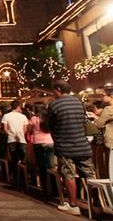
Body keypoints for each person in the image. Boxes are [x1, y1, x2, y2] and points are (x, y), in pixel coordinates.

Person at [48, 80, 96, 216]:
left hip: (65, 145)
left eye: (53, 90)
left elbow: (51, 125)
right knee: (90, 174)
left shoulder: (54, 104)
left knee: (68, 174)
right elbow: (83, 121)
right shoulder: (79, 102)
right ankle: (96, 204)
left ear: (58, 89)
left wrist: (56, 139)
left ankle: (73, 204)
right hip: (82, 144)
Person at [27, 103, 53, 193]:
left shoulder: (34, 118)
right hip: (49, 142)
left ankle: (45, 187)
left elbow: (28, 130)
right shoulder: (48, 118)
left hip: (38, 142)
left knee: (41, 166)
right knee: (50, 166)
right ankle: (54, 187)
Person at [2, 100, 28, 182]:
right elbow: (25, 129)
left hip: (11, 139)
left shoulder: (6, 116)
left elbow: (5, 129)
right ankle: (23, 178)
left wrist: (10, 133)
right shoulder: (23, 116)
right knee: (22, 159)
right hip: (21, 140)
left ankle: (15, 177)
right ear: (18, 107)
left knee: (13, 159)